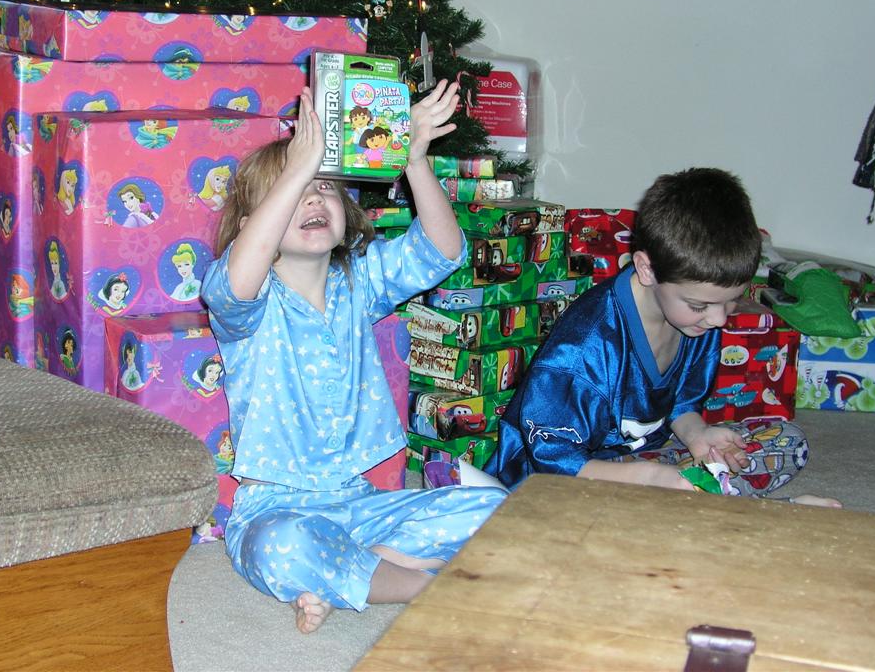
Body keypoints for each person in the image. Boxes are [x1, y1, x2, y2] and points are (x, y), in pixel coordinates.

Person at [201, 82, 506, 634]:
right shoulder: (247, 306)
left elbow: (442, 250)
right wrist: (299, 166)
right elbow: (237, 282)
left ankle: (356, 575)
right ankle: (422, 586)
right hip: (276, 509)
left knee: (498, 509)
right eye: (294, 192)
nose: (313, 199)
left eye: (324, 188)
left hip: (361, 504)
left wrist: (414, 160)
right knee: (281, 548)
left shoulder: (359, 283)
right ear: (253, 227)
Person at [487, 168, 840, 507]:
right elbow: (552, 460)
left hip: (644, 458)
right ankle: (759, 512)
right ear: (647, 269)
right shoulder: (582, 350)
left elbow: (682, 404)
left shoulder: (695, 320)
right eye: (700, 305)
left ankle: (697, 502)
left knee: (786, 441)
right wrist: (646, 479)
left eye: (731, 301)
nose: (719, 319)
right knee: (622, 502)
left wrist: (697, 435)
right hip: (556, 481)